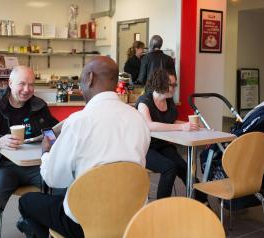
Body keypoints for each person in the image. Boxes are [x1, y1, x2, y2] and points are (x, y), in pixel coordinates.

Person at [17, 56, 151, 238]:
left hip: (84, 223)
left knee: (28, 202)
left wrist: (46, 152)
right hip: (130, 218)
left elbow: (53, 179)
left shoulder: (79, 122)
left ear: (90, 78)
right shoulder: (138, 119)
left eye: (81, 80)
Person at [0, 66, 58, 238]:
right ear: (10, 83)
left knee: (58, 186)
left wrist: (52, 137)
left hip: (36, 165)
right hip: (3, 165)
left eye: (31, 85)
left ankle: (32, 223)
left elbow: (51, 129)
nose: (27, 90)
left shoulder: (39, 106)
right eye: (22, 84)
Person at [135, 69, 198, 199]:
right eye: (172, 85)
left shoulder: (169, 101)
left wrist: (191, 125)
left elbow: (170, 121)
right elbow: (149, 125)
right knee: (169, 167)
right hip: (144, 148)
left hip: (161, 145)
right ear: (160, 84)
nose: (174, 88)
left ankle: (202, 201)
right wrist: (181, 127)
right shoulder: (144, 101)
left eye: (175, 84)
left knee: (185, 168)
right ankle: (161, 208)